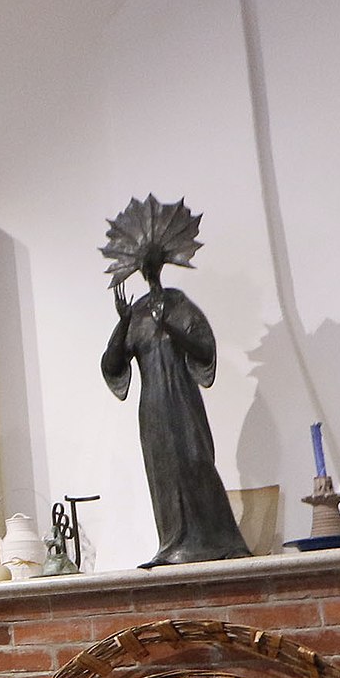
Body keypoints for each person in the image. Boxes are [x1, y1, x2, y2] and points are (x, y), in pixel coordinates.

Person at [99, 195, 252, 565]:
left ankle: (219, 540)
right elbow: (113, 364)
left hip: (183, 400)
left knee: (196, 461)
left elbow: (204, 349)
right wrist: (122, 324)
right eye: (143, 266)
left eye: (152, 264)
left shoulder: (180, 304)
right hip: (153, 406)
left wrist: (170, 326)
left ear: (164, 261)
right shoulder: (135, 314)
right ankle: (172, 543)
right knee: (163, 471)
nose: (148, 271)